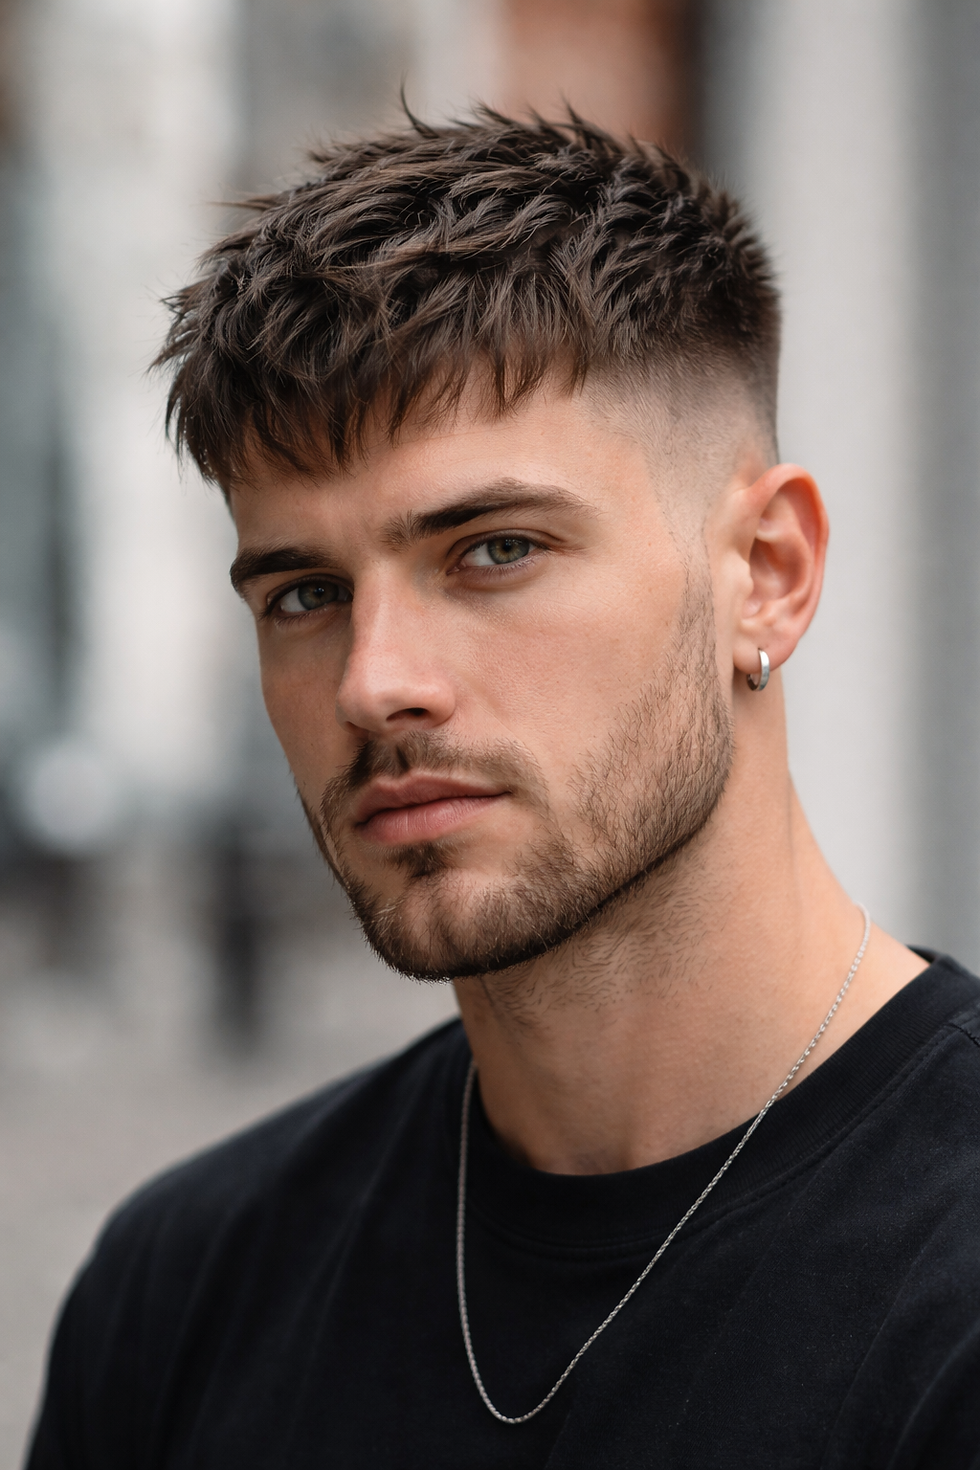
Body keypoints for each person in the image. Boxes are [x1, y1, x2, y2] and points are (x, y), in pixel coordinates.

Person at [28, 112, 980, 1470]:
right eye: (304, 593)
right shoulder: (182, 1294)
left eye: (493, 551)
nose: (375, 684)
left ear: (766, 574)